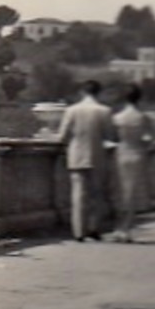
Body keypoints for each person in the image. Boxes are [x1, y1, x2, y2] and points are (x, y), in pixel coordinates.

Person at [57, 80, 116, 241]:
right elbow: (110, 136)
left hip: (76, 156)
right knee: (97, 194)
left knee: (78, 194)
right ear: (98, 93)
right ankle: (94, 228)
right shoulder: (104, 111)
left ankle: (78, 232)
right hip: (97, 156)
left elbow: (62, 136)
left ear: (82, 92)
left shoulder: (72, 110)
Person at [112, 84, 155, 242]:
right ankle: (126, 228)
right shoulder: (143, 118)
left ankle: (118, 228)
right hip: (137, 154)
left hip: (120, 154)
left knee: (120, 192)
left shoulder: (117, 117)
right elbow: (150, 139)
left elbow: (112, 138)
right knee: (132, 193)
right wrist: (142, 145)